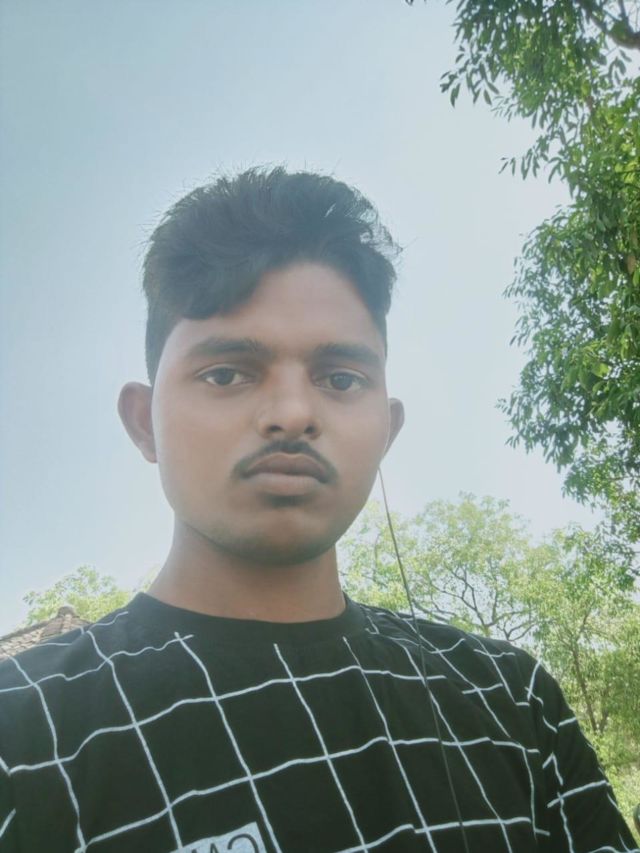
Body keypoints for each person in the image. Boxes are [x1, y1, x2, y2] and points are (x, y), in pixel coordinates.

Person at [0, 168, 636, 853]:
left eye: (340, 378)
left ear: (387, 429)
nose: (293, 413)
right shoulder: (24, 734)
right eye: (226, 373)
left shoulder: (512, 703)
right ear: (143, 422)